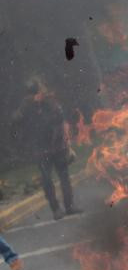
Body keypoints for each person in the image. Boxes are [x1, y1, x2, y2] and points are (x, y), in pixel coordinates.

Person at [19, 78, 82, 221]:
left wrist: (66, 142)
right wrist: (33, 103)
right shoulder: (27, 107)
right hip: (41, 149)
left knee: (64, 177)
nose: (42, 93)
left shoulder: (51, 102)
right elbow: (21, 121)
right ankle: (56, 209)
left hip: (57, 146)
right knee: (47, 180)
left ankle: (69, 206)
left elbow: (61, 119)